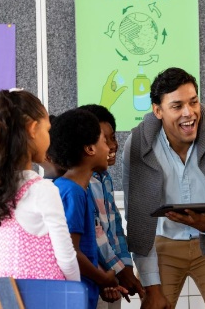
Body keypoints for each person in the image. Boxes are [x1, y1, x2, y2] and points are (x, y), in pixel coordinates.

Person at [123, 67, 205, 309]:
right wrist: (151, 286)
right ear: (158, 111)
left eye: (194, 102)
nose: (189, 113)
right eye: (177, 106)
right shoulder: (138, 145)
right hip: (161, 242)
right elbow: (138, 223)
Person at [0, 89, 79, 281]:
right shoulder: (42, 190)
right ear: (32, 128)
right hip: (44, 296)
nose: (49, 137)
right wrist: (75, 289)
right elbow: (66, 257)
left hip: (7, 296)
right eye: (47, 130)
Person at [48, 109, 128, 309]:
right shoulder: (73, 192)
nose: (109, 147)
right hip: (75, 296)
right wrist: (104, 278)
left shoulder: (74, 189)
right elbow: (72, 252)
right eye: (103, 141)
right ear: (90, 149)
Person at [79, 104, 145, 308]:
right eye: (103, 140)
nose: (112, 146)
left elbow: (115, 226)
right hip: (95, 278)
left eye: (113, 137)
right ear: (87, 146)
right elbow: (94, 232)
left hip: (111, 278)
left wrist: (125, 266)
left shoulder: (104, 178)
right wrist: (119, 271)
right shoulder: (82, 183)